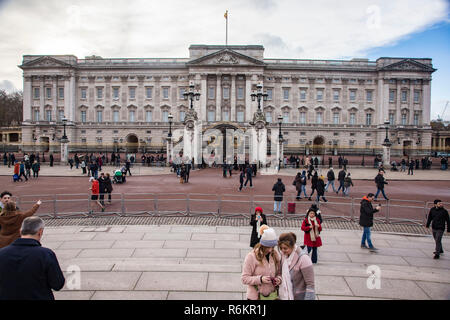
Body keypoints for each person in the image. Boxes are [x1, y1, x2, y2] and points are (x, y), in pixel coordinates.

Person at [0, 216, 65, 300]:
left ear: (20, 231)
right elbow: (58, 284)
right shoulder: (45, 254)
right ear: (40, 232)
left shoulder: (2, 253)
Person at [241, 226, 282, 300]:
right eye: (268, 247)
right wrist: (260, 279)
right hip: (255, 297)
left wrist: (279, 279)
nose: (270, 250)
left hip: (272, 296)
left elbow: (279, 273)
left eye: (272, 247)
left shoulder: (275, 255)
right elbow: (244, 278)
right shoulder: (251, 256)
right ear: (262, 245)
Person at [277, 232, 315, 300]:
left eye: (285, 248)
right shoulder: (283, 256)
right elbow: (280, 273)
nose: (282, 251)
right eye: (281, 248)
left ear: (292, 246)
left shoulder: (304, 259)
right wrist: (279, 279)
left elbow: (310, 285)